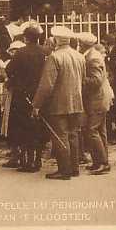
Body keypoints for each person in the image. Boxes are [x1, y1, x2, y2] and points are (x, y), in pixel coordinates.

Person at [32, 26, 87, 180]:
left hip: (58, 104)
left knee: (60, 136)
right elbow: (82, 80)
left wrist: (36, 105)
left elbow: (46, 85)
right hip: (76, 102)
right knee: (73, 135)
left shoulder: (54, 57)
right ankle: (74, 168)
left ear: (56, 40)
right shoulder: (79, 56)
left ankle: (64, 170)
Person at [6, 24, 47, 172]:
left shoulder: (21, 53)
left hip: (23, 96)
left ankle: (27, 161)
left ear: (25, 38)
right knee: (38, 127)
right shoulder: (45, 51)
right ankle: (37, 159)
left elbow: (9, 69)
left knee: (23, 128)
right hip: (41, 95)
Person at [78, 33, 113, 175]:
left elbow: (96, 81)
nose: (78, 46)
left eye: (80, 44)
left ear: (84, 44)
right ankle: (100, 161)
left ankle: (103, 164)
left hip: (97, 100)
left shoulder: (92, 58)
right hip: (100, 99)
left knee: (91, 130)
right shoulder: (92, 55)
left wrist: (80, 80)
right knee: (100, 131)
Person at [1, 40, 26, 168]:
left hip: (15, 98)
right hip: (12, 97)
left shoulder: (15, 64)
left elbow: (10, 79)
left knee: (15, 127)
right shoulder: (13, 63)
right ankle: (16, 153)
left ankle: (17, 155)